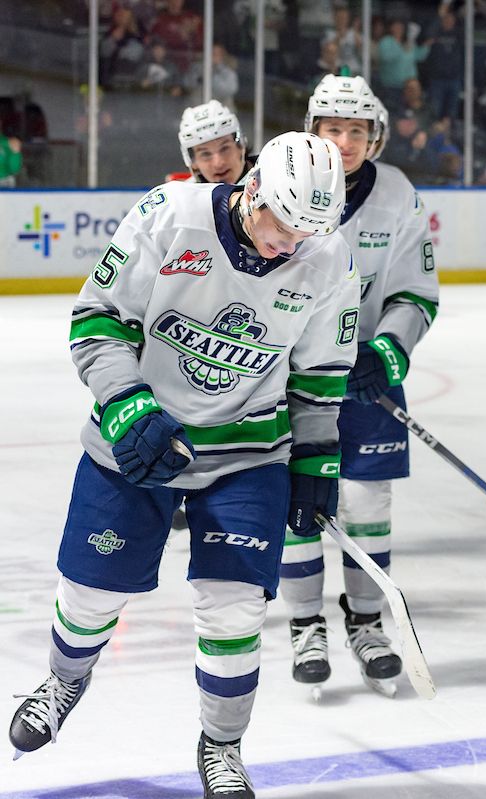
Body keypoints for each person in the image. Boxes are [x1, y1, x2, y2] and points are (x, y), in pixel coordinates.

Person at [7, 131, 356, 799]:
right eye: (281, 228)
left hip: (247, 450)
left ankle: (222, 747)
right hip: (141, 434)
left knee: (233, 613)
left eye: (305, 236)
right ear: (252, 190)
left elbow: (320, 373)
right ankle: (63, 679)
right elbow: (97, 318)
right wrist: (127, 406)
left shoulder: (327, 256)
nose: (289, 247)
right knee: (90, 596)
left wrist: (316, 455)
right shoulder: (170, 214)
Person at [280, 74, 439, 697]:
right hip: (290, 382)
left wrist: (389, 349)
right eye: (331, 129)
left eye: (354, 131)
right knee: (301, 504)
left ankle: (367, 622)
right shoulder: (284, 175)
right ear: (310, 131)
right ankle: (303, 624)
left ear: (373, 137)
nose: (342, 142)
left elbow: (416, 291)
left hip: (364, 382)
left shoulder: (397, 193)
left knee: (369, 507)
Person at [178, 100, 254, 185]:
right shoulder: (185, 196)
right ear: (193, 163)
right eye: (205, 154)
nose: (218, 163)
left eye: (225, 148)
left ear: (241, 146)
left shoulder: (268, 176)